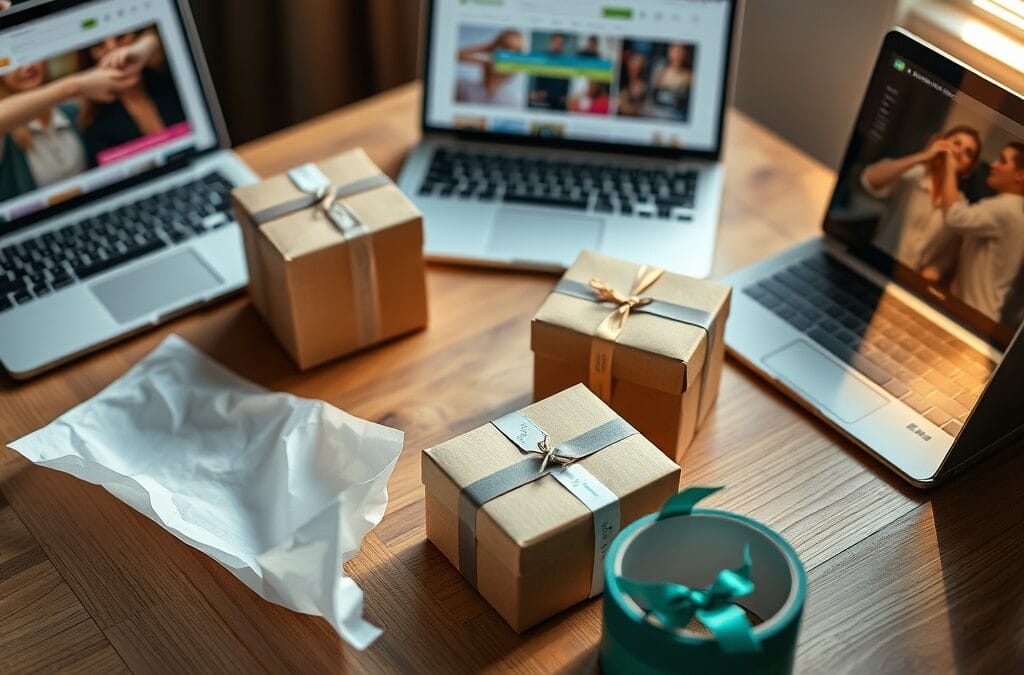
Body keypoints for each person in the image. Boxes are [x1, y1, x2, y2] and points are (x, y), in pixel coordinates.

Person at [0, 60, 136, 199]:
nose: (27, 66)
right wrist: (75, 86)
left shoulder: (70, 112)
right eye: (12, 64)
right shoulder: (7, 135)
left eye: (29, 57)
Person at [860, 125, 981, 274]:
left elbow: (944, 260)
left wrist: (931, 274)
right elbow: (869, 179)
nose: (959, 152)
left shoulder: (961, 208)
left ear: (969, 168)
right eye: (956, 143)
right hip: (875, 265)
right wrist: (923, 156)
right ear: (940, 142)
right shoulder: (913, 174)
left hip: (909, 281)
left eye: (968, 153)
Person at [937, 141, 1024, 321]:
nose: (993, 165)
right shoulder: (1012, 209)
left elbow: (954, 217)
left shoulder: (1005, 209)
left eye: (1002, 161)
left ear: (1020, 175)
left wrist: (950, 168)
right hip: (977, 311)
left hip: (974, 315)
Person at [79, 29, 186, 166]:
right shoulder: (96, 125)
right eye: (99, 44)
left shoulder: (172, 81)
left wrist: (143, 48)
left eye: (121, 36)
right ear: (91, 57)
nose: (114, 49)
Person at [455, 29, 526, 106]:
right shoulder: (461, 89)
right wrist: (486, 50)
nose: (509, 56)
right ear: (491, 50)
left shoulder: (514, 103)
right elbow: (448, 56)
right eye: (505, 47)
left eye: (517, 52)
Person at [528, 33, 570, 111]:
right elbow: (539, 79)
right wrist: (539, 93)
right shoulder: (543, 57)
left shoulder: (566, 62)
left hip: (558, 102)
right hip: (542, 99)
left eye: (560, 43)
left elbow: (565, 83)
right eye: (556, 42)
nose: (557, 45)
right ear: (551, 42)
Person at [652, 43, 693, 119]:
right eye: (675, 50)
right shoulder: (660, 73)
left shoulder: (690, 76)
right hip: (658, 115)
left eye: (681, 51)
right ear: (669, 51)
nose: (677, 55)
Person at [617, 51, 649, 117]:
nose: (632, 67)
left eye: (635, 65)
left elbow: (643, 110)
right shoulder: (623, 84)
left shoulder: (644, 87)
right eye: (631, 64)